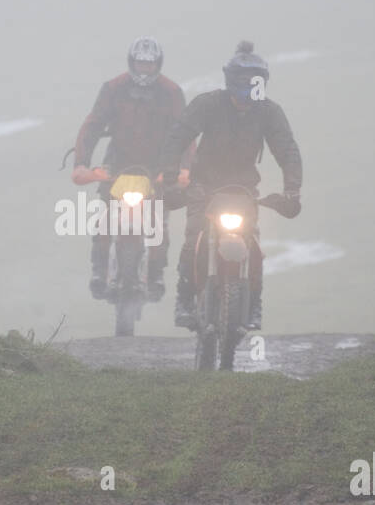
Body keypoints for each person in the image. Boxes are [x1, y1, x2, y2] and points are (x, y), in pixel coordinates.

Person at [160, 41, 302, 330]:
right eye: (244, 80)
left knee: (253, 246)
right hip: (203, 187)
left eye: (255, 81)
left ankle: (254, 305)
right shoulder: (207, 104)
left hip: (244, 191)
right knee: (192, 242)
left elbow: (287, 150)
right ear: (230, 80)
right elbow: (177, 137)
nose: (249, 87)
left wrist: (292, 191)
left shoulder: (269, 112)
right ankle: (184, 300)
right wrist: (172, 180)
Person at [71, 38, 189, 300]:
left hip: (159, 166)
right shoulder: (113, 88)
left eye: (149, 64)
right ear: (131, 62)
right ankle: (99, 271)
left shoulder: (171, 92)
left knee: (159, 223)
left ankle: (156, 273)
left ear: (157, 64)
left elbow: (185, 133)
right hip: (118, 164)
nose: (144, 69)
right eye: (140, 63)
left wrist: (183, 169)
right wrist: (82, 164)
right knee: (107, 218)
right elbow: (92, 126)